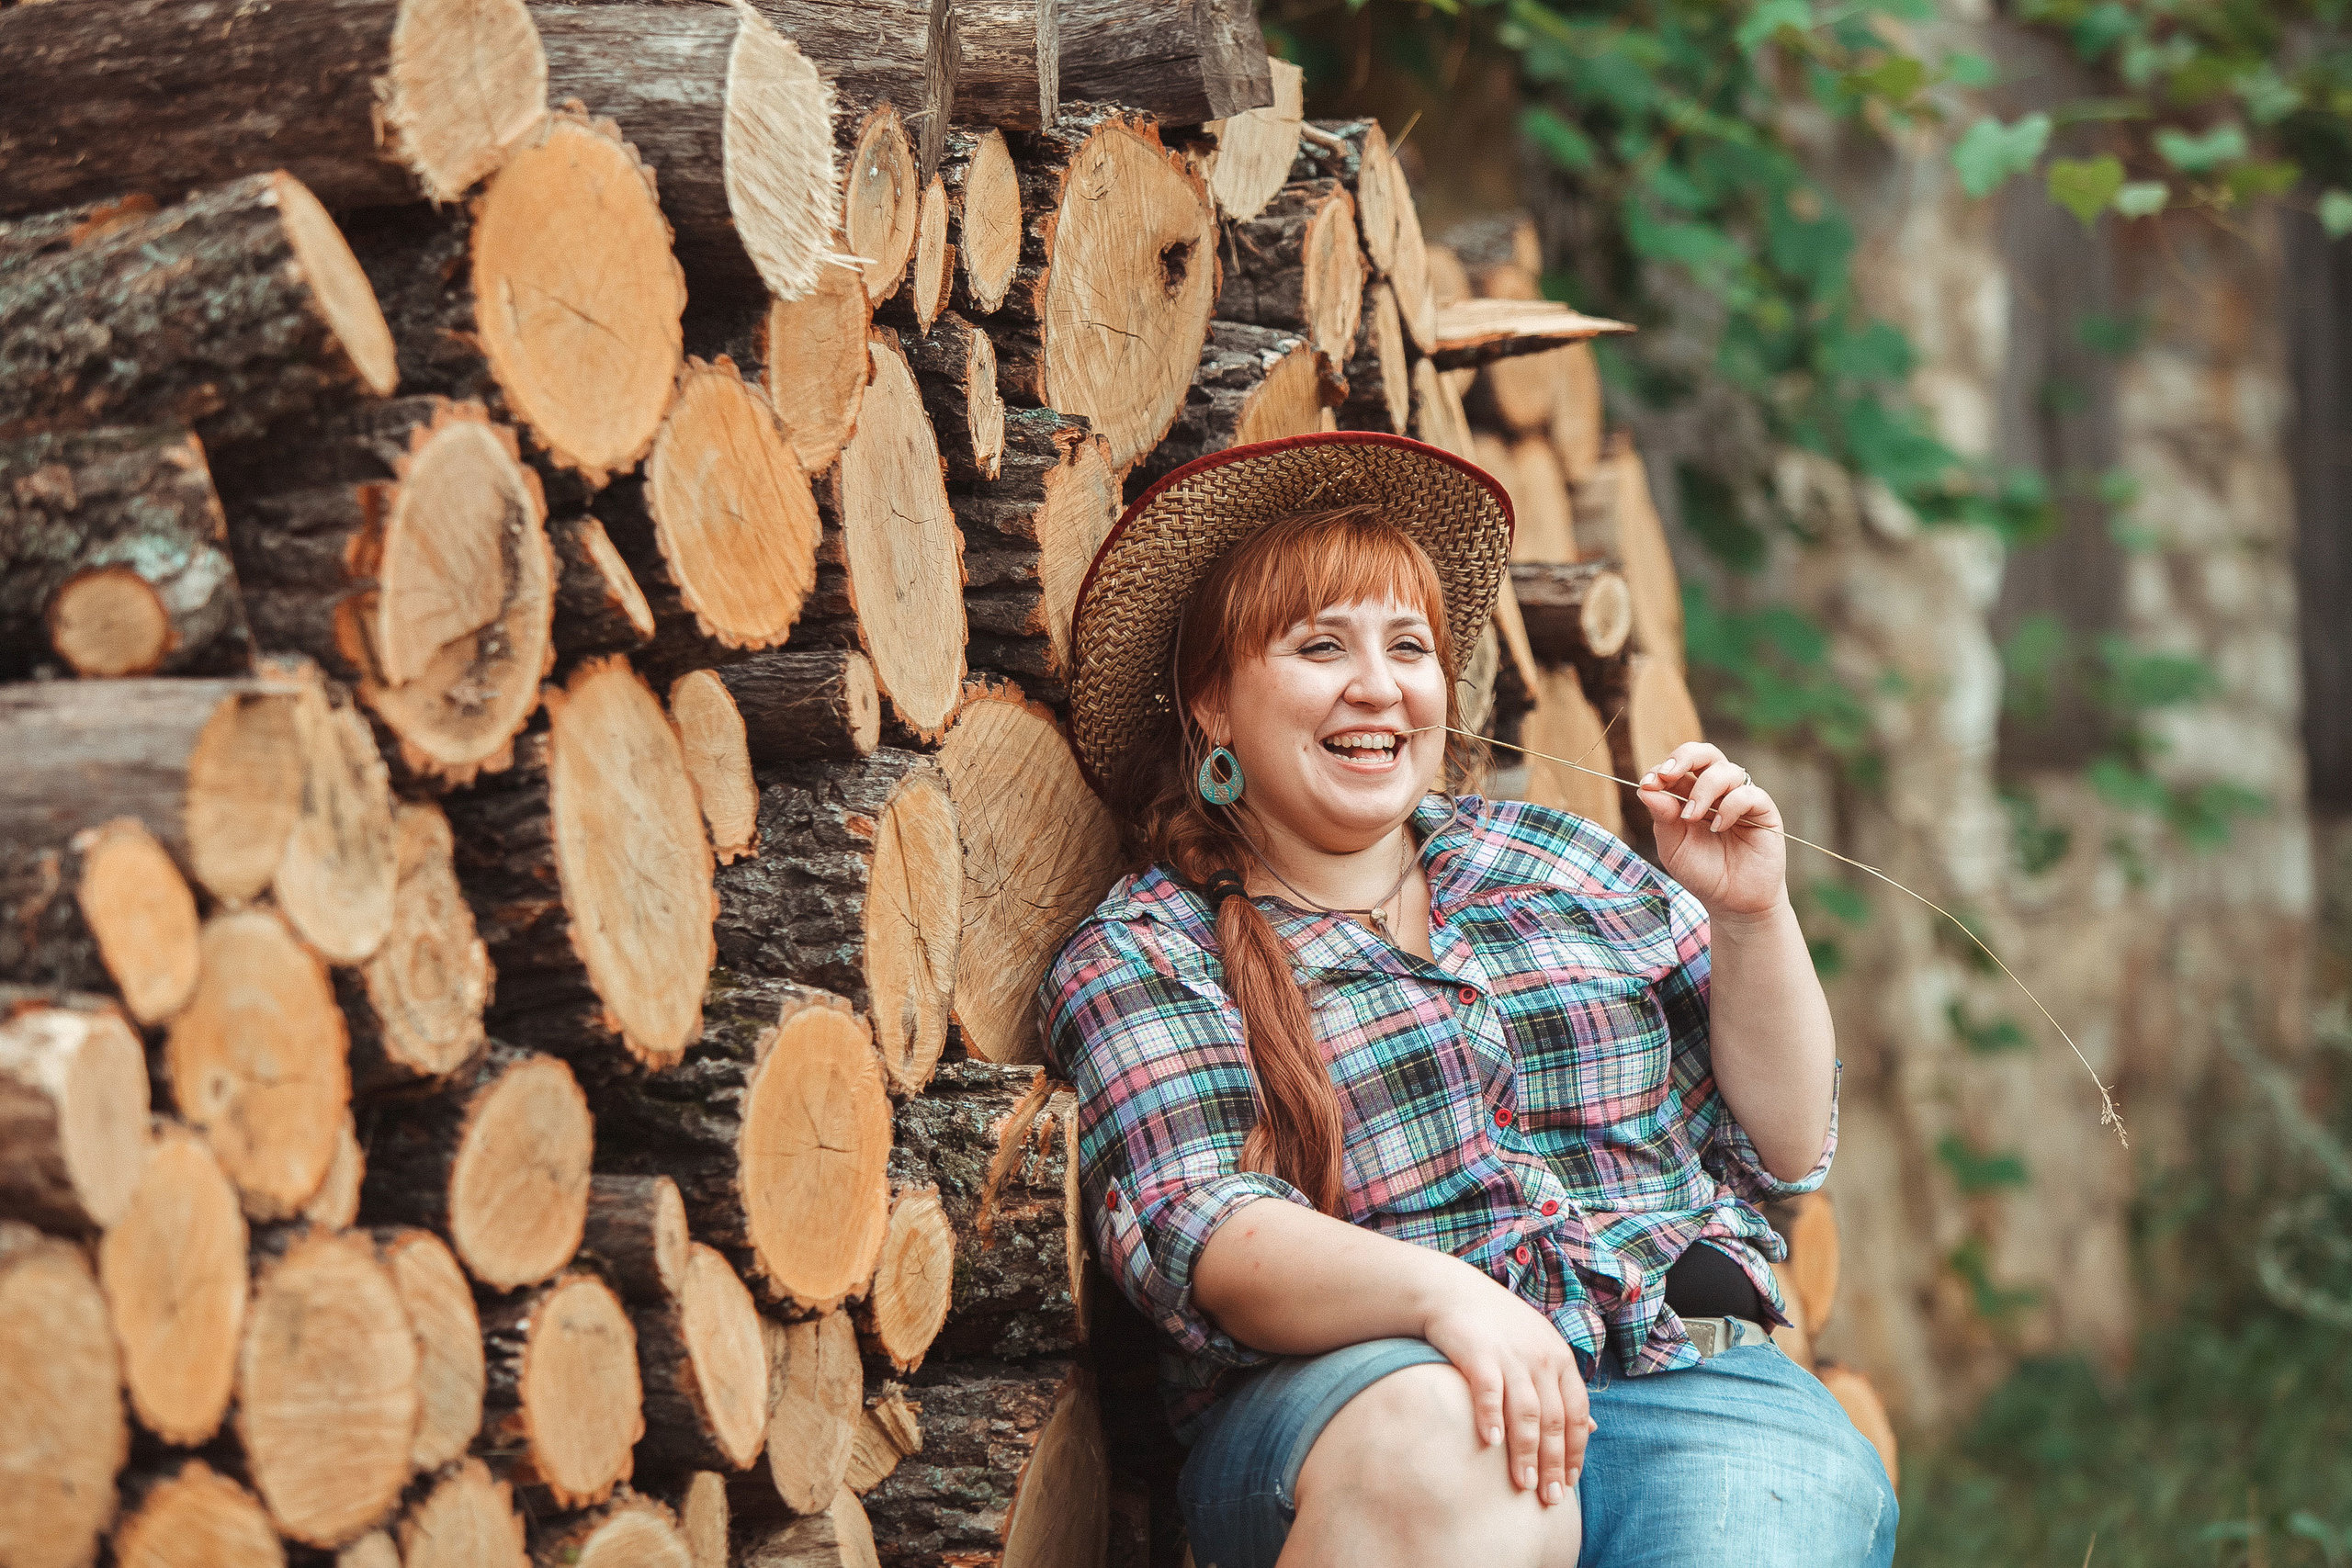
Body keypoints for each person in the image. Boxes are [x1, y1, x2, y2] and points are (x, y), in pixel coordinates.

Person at [1038, 432, 1897, 1568]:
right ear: (1213, 704)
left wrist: (1750, 916)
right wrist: (1449, 1301)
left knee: (1765, 1525)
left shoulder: (1559, 862)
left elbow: (1785, 1144)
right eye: (1320, 646)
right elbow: (1208, 1234)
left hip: (1686, 1387)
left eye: (1409, 647)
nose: (1378, 686)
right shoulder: (1153, 946)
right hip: (1369, 1404)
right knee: (1458, 1453)